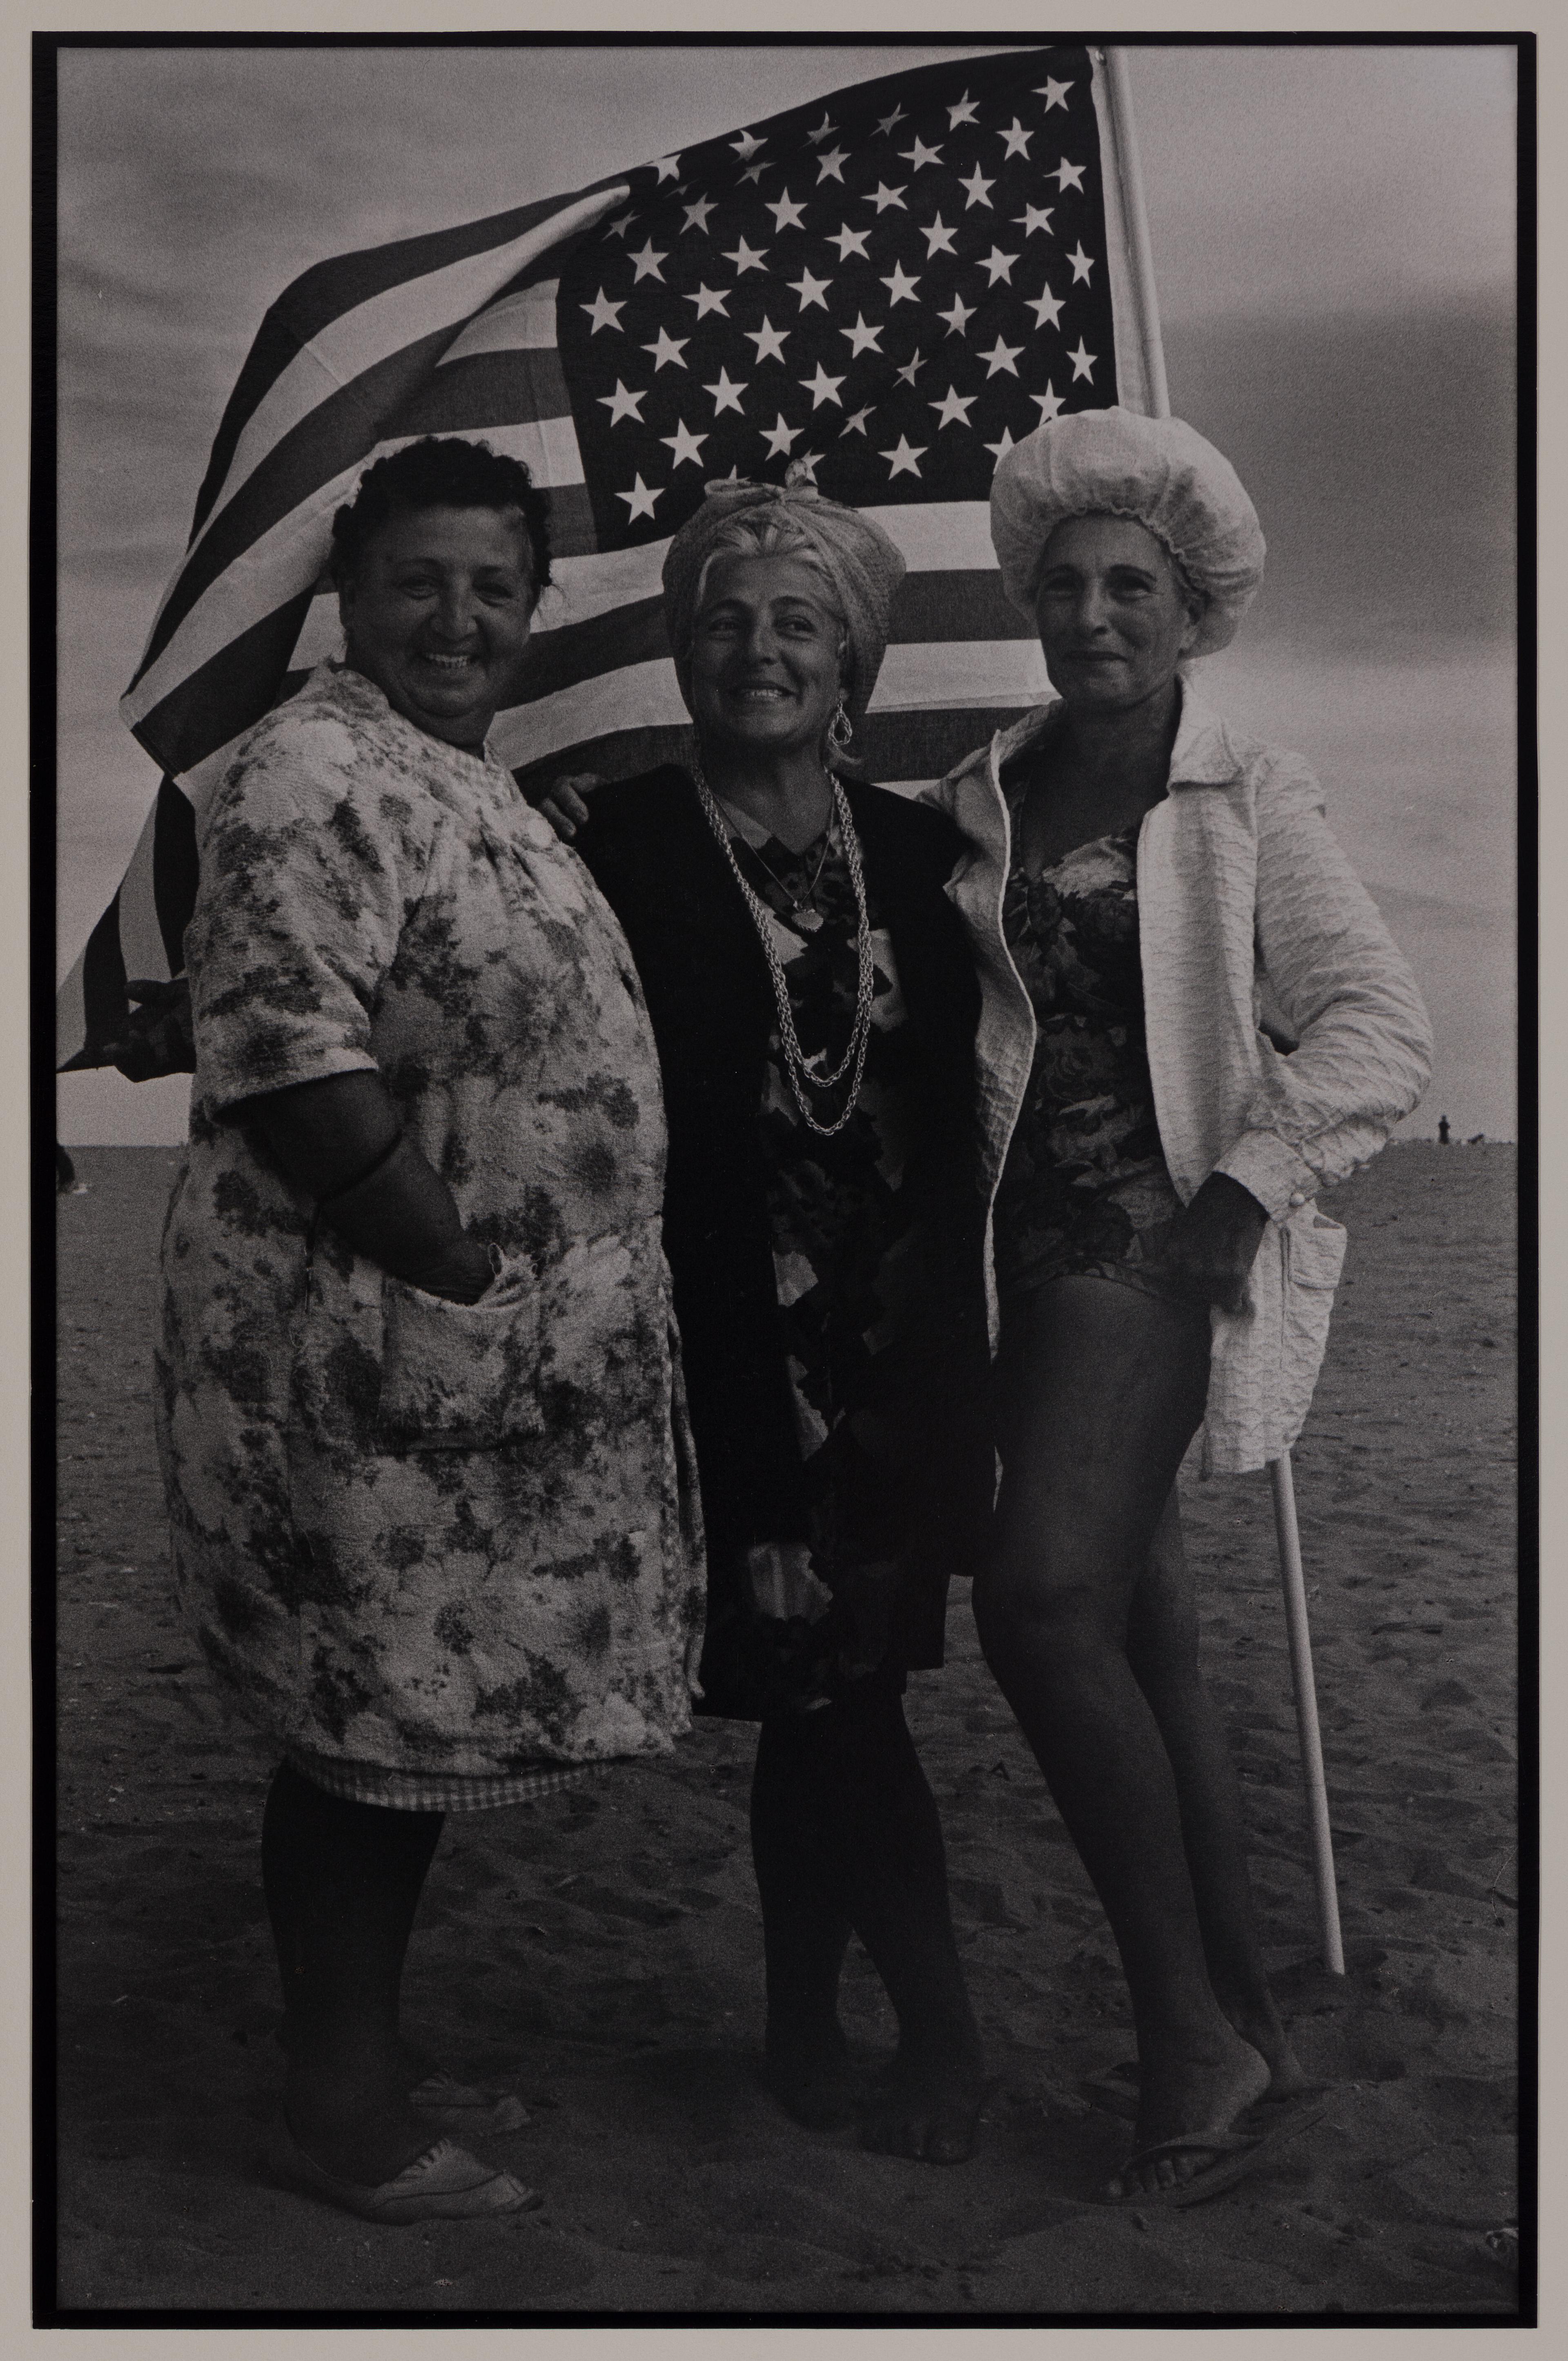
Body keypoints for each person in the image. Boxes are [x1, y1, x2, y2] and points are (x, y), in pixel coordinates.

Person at [154, 436, 705, 2225]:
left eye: (492, 587)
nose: (457, 615)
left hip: (465, 1362)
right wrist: (461, 1272)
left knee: (407, 1728)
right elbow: (291, 1056)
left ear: (532, 612)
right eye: (420, 580)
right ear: (352, 592)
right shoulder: (314, 767)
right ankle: (339, 2108)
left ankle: (363, 2060)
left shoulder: (467, 781)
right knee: (364, 1728)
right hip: (369, 1347)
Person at [933, 408, 1433, 2203]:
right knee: (1144, 1638)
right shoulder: (980, 795)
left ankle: (1188, 2034)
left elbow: (1380, 1029)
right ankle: (1245, 2004)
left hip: (1144, 1244)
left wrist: (1245, 1187)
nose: (1092, 614)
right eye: (1062, 584)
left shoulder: (1243, 792)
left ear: (1189, 601)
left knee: (1040, 1603)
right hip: (1004, 1255)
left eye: (1128, 583)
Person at [542, 472, 994, 2163]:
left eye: (799, 622)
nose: (760, 650)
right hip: (723, 1345)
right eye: (725, 621)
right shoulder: (615, 843)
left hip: (901, 1356)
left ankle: (808, 2022)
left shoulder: (927, 857)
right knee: (831, 1696)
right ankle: (940, 2043)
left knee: (836, 1694)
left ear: (855, 656)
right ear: (680, 652)